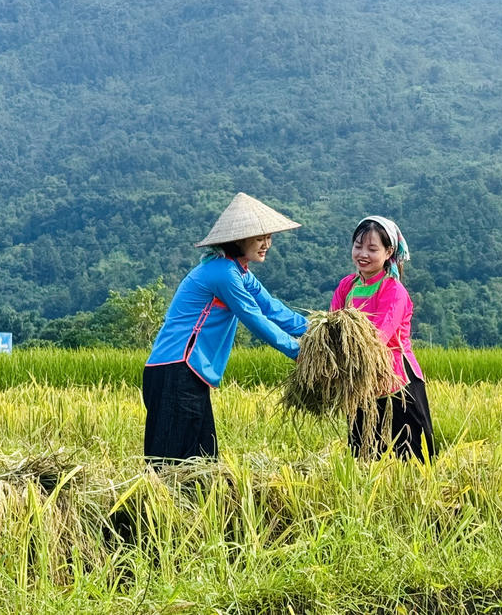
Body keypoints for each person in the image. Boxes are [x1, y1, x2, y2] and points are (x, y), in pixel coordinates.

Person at [143, 192, 308, 463]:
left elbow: (272, 308)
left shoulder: (240, 272)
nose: (266, 244)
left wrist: (318, 330)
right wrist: (299, 352)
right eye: (260, 238)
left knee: (203, 460)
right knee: (171, 462)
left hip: (190, 372)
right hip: (176, 368)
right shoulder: (223, 273)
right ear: (239, 239)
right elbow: (254, 317)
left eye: (268, 237)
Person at [330, 216, 434, 460]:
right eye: (358, 246)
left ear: (388, 252)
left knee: (408, 459)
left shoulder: (394, 290)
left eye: (372, 249)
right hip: (359, 384)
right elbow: (333, 324)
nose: (363, 254)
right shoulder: (347, 285)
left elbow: (379, 336)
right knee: (363, 457)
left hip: (397, 384)